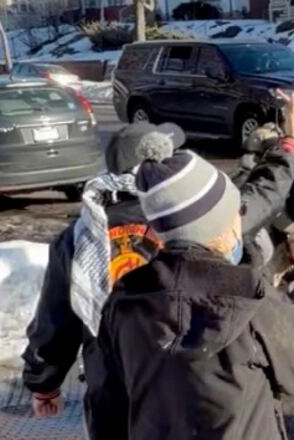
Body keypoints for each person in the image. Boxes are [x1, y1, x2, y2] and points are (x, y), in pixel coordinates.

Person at [98, 90, 294, 440]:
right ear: (222, 228)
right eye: (236, 213)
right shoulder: (249, 297)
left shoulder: (123, 300)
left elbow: (109, 401)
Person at [21, 122, 183, 439]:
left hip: (110, 380)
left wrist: (44, 384)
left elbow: (56, 318)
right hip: (181, 374)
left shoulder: (81, 234)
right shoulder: (184, 218)